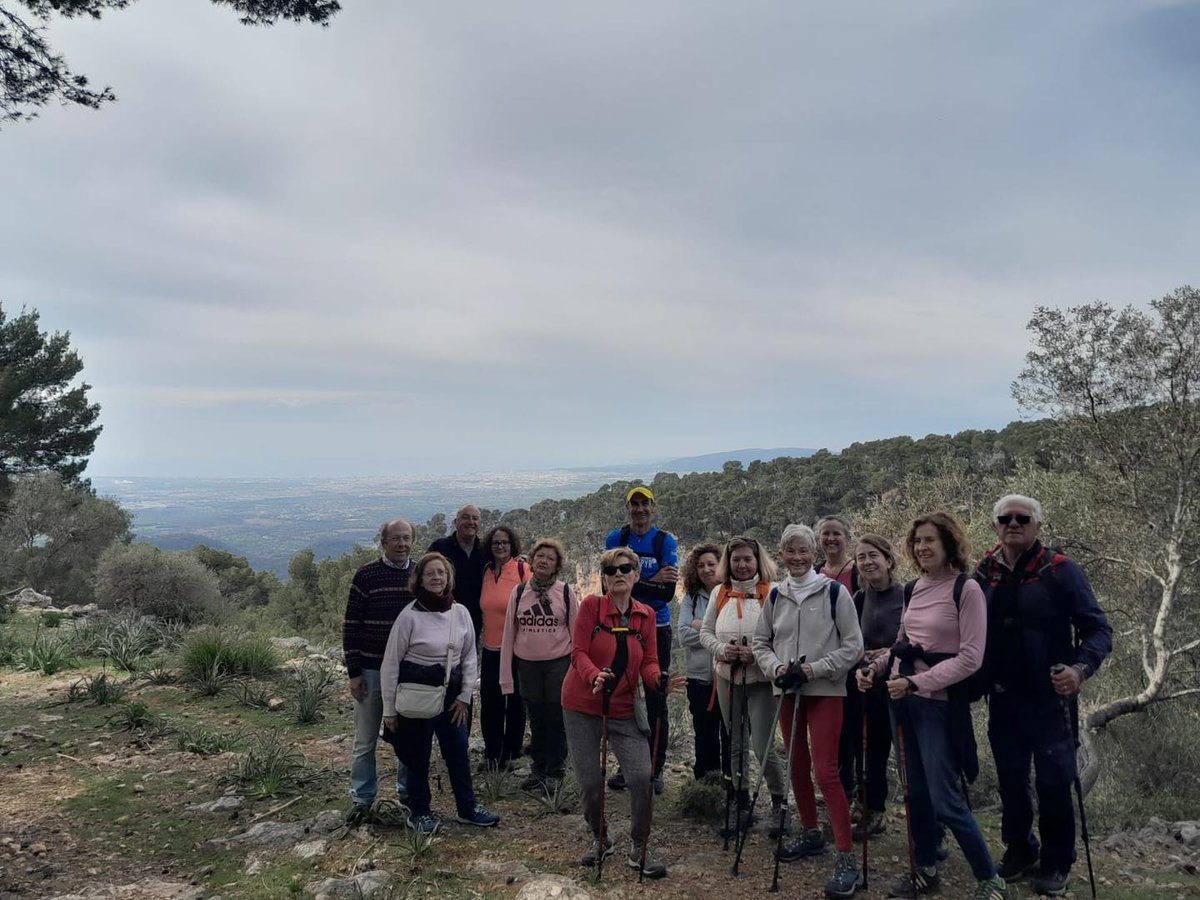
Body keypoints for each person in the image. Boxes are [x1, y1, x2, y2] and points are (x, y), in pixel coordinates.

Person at [858, 512, 1009, 900]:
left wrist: (916, 682)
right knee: (915, 792)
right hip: (901, 699)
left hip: (938, 704)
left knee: (945, 797)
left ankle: (990, 879)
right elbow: (902, 643)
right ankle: (924, 868)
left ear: (949, 544)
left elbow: (971, 658)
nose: (923, 547)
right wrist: (874, 670)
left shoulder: (967, 589)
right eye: (918, 541)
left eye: (930, 540)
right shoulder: (914, 588)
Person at [975, 495, 1112, 897]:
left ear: (1038, 526)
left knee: (1054, 782)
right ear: (996, 525)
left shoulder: (1061, 570)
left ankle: (1057, 861)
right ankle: (1020, 849)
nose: (1013, 524)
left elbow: (1099, 630)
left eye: (1023, 518)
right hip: (1002, 696)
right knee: (1011, 781)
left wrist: (1079, 670)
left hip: (1051, 699)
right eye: (1005, 518)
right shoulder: (984, 572)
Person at [754, 524, 864, 900]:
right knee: (796, 766)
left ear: (814, 553)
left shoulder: (836, 592)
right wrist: (777, 669)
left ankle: (847, 858)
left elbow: (853, 647)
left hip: (826, 691)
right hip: (787, 690)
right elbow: (760, 641)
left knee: (826, 771)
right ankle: (812, 832)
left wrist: (814, 668)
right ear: (781, 555)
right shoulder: (775, 596)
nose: (797, 558)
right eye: (790, 551)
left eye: (804, 551)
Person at [562, 547, 684, 879]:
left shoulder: (645, 616)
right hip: (582, 705)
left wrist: (657, 679)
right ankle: (601, 838)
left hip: (624, 708)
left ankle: (640, 846)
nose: (619, 574)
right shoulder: (591, 607)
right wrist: (593, 676)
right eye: (611, 570)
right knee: (589, 783)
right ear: (602, 578)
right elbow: (578, 652)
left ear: (635, 575)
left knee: (642, 778)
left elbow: (648, 662)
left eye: (626, 568)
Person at [381, 552, 500, 834]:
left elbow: (470, 657)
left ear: (449, 578)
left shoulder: (460, 614)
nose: (437, 578)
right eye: (430, 573)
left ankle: (467, 808)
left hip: (452, 699)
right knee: (416, 756)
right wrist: (389, 709)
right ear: (419, 579)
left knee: (458, 752)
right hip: (416, 697)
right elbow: (390, 663)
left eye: (441, 573)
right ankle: (419, 811)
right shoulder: (408, 617)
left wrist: (464, 697)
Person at [699, 537, 787, 830]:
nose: (742, 565)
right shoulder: (719, 593)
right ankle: (740, 801)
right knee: (735, 742)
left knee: (763, 745)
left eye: (747, 559)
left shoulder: (773, 593)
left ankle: (779, 801)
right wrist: (724, 650)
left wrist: (758, 655)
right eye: (736, 559)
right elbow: (706, 633)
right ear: (729, 562)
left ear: (758, 561)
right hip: (727, 676)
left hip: (761, 679)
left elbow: (782, 637)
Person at [342, 518, 417, 824]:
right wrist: (353, 672)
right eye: (396, 538)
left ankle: (408, 796)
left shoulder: (421, 573)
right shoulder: (366, 575)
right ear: (383, 542)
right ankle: (362, 798)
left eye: (407, 538)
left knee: (408, 739)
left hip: (409, 672)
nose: (402, 544)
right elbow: (351, 625)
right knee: (365, 740)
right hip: (371, 671)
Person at [604, 486, 679, 793]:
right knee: (621, 695)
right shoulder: (615, 539)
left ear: (652, 506)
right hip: (620, 625)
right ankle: (628, 765)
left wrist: (632, 583)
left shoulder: (664, 540)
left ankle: (654, 769)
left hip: (656, 626)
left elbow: (667, 593)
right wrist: (650, 581)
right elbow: (609, 585)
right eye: (634, 504)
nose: (639, 509)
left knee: (655, 696)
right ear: (628, 508)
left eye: (644, 504)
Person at [500, 537, 577, 792]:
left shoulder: (565, 592)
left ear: (557, 565)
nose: (544, 561)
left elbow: (576, 633)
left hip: (558, 664)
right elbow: (509, 633)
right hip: (527, 666)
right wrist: (506, 676)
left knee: (556, 718)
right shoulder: (520, 592)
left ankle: (556, 770)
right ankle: (539, 768)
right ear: (532, 560)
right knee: (536, 717)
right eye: (540, 556)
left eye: (550, 558)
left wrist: (578, 671)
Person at [847, 534, 905, 839]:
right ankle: (871, 809)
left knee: (906, 753)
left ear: (888, 560)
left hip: (900, 684)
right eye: (861, 557)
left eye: (874, 556)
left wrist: (884, 655)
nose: (868, 562)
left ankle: (928, 822)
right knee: (869, 750)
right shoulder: (859, 599)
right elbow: (851, 641)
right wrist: (861, 663)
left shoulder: (907, 594)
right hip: (866, 683)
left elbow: (910, 639)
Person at [816, 514, 866, 813]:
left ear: (847, 538)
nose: (831, 539)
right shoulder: (816, 572)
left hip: (852, 661)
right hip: (825, 661)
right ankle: (839, 788)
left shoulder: (857, 572)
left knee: (853, 727)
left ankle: (858, 792)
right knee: (831, 729)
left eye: (836, 534)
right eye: (825, 535)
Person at [676, 542, 730, 781]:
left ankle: (731, 783)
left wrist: (702, 626)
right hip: (699, 677)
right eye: (700, 566)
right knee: (703, 732)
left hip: (729, 676)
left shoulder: (732, 592)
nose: (706, 569)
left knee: (730, 733)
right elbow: (683, 634)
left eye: (711, 564)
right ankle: (705, 783)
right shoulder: (691, 597)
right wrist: (718, 633)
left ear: (721, 565)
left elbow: (737, 634)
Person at [478, 524, 528, 772]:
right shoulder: (486, 571)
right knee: (490, 702)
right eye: (496, 542)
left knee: (515, 702)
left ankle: (511, 751)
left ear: (512, 546)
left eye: (504, 543)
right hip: (489, 649)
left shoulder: (521, 569)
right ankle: (492, 752)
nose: (500, 546)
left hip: (515, 649)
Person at [429, 505, 486, 639]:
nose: (470, 522)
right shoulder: (439, 547)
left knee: (469, 657)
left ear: (479, 523)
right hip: (443, 615)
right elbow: (424, 575)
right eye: (465, 518)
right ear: (455, 523)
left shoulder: (486, 549)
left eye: (475, 518)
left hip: (474, 618)